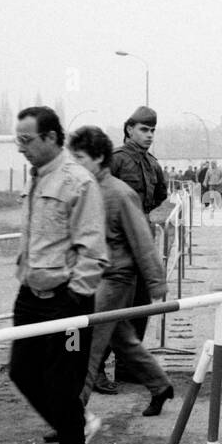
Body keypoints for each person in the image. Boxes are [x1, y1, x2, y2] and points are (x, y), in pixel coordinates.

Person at [9, 106, 108, 444]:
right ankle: (79, 426)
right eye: (17, 140)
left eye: (27, 140)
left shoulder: (77, 182)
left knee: (62, 382)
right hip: (31, 294)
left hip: (68, 301)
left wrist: (73, 300)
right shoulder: (35, 178)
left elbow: (93, 251)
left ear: (51, 138)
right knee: (22, 371)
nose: (20, 148)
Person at [67, 126, 175, 416]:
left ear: (99, 157)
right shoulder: (85, 190)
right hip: (93, 277)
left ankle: (70, 416)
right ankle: (160, 385)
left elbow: (142, 239)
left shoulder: (119, 193)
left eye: (81, 158)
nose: (75, 165)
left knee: (85, 342)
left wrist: (156, 281)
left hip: (116, 278)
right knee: (123, 340)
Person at [105, 105, 168, 383]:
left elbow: (158, 196)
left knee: (141, 306)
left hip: (143, 243)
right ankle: (95, 370)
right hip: (117, 247)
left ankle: (127, 367)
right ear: (130, 129)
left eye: (153, 130)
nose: (149, 135)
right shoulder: (116, 160)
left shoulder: (152, 163)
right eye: (144, 129)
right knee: (112, 308)